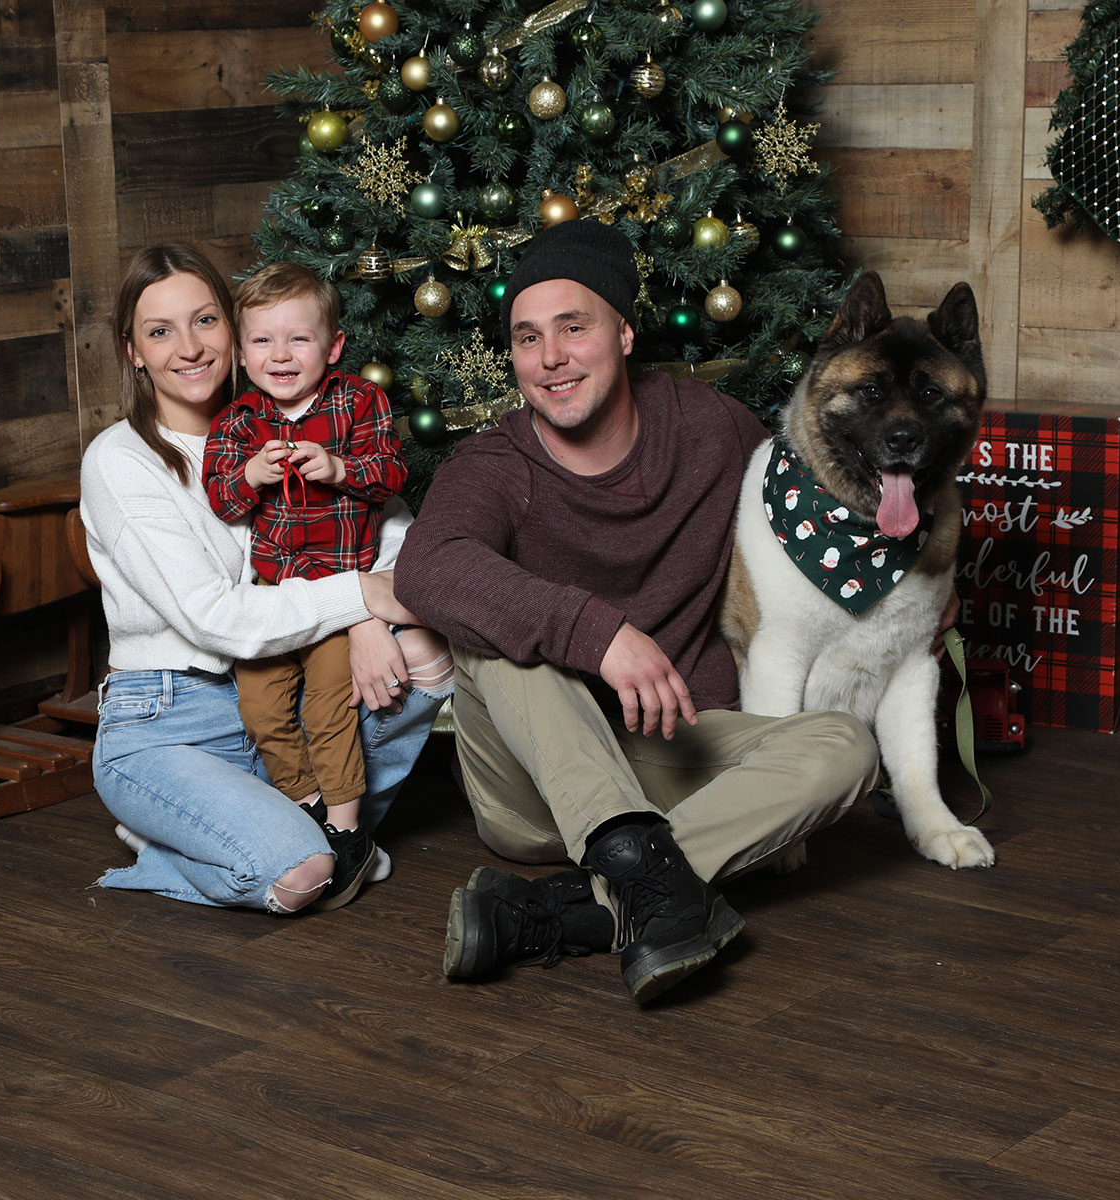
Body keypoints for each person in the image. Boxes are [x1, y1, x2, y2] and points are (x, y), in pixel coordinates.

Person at [393, 219, 881, 1004]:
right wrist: (601, 633)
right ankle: (630, 869)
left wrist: (920, 571)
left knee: (845, 746)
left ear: (623, 333)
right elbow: (430, 565)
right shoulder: (493, 466)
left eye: (572, 328)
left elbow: (811, 520)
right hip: (535, 789)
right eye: (526, 338)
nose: (549, 357)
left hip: (666, 761)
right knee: (498, 628)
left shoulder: (710, 428)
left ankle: (572, 908)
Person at [80, 242, 450, 914]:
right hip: (168, 716)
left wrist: (368, 617)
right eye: (159, 332)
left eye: (204, 321)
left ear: (236, 331)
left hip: (278, 686)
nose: (189, 348)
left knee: (425, 648)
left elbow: (394, 526)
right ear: (132, 351)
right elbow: (214, 617)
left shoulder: (273, 420)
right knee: (302, 876)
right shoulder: (122, 462)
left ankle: (320, 831)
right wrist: (359, 597)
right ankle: (180, 843)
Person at [200, 262, 407, 898]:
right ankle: (310, 803)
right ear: (241, 352)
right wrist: (253, 478)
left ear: (333, 346)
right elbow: (222, 500)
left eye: (299, 339)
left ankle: (347, 829)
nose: (280, 355)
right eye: (262, 341)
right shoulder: (238, 422)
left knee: (327, 707)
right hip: (274, 600)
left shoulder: (358, 401)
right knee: (260, 708)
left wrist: (340, 467)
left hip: (340, 597)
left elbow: (393, 478)